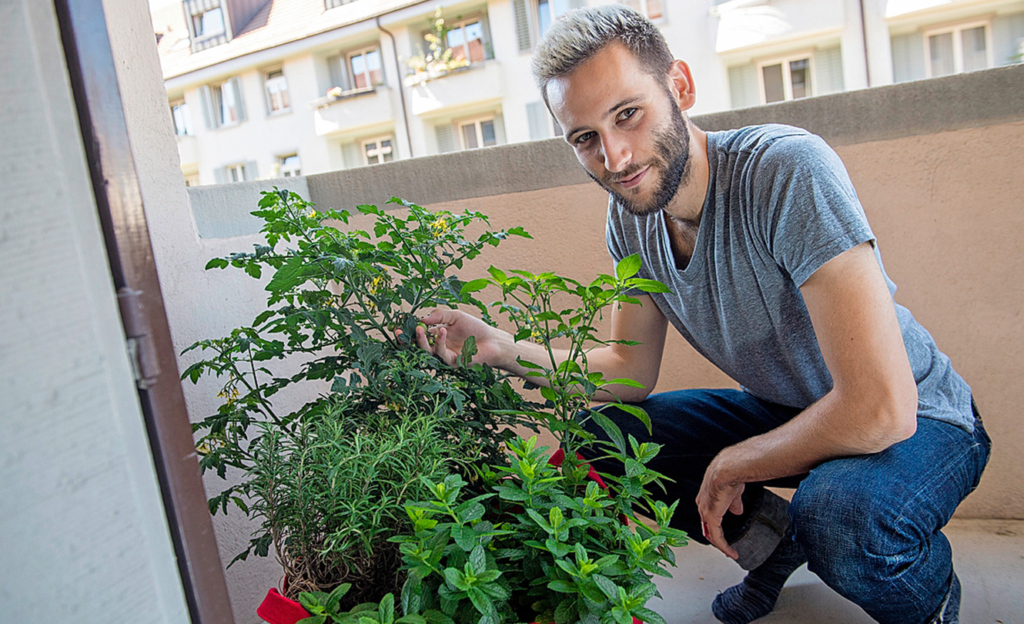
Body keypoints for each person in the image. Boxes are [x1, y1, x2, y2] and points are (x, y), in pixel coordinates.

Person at [413, 6, 990, 623]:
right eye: (585, 138)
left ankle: (930, 599)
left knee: (840, 516)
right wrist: (498, 348)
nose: (613, 156)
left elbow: (879, 407)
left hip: (921, 419)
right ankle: (773, 549)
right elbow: (628, 369)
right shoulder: (631, 220)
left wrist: (733, 462)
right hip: (788, 408)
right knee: (606, 439)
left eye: (627, 114)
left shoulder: (786, 171)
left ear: (680, 87)